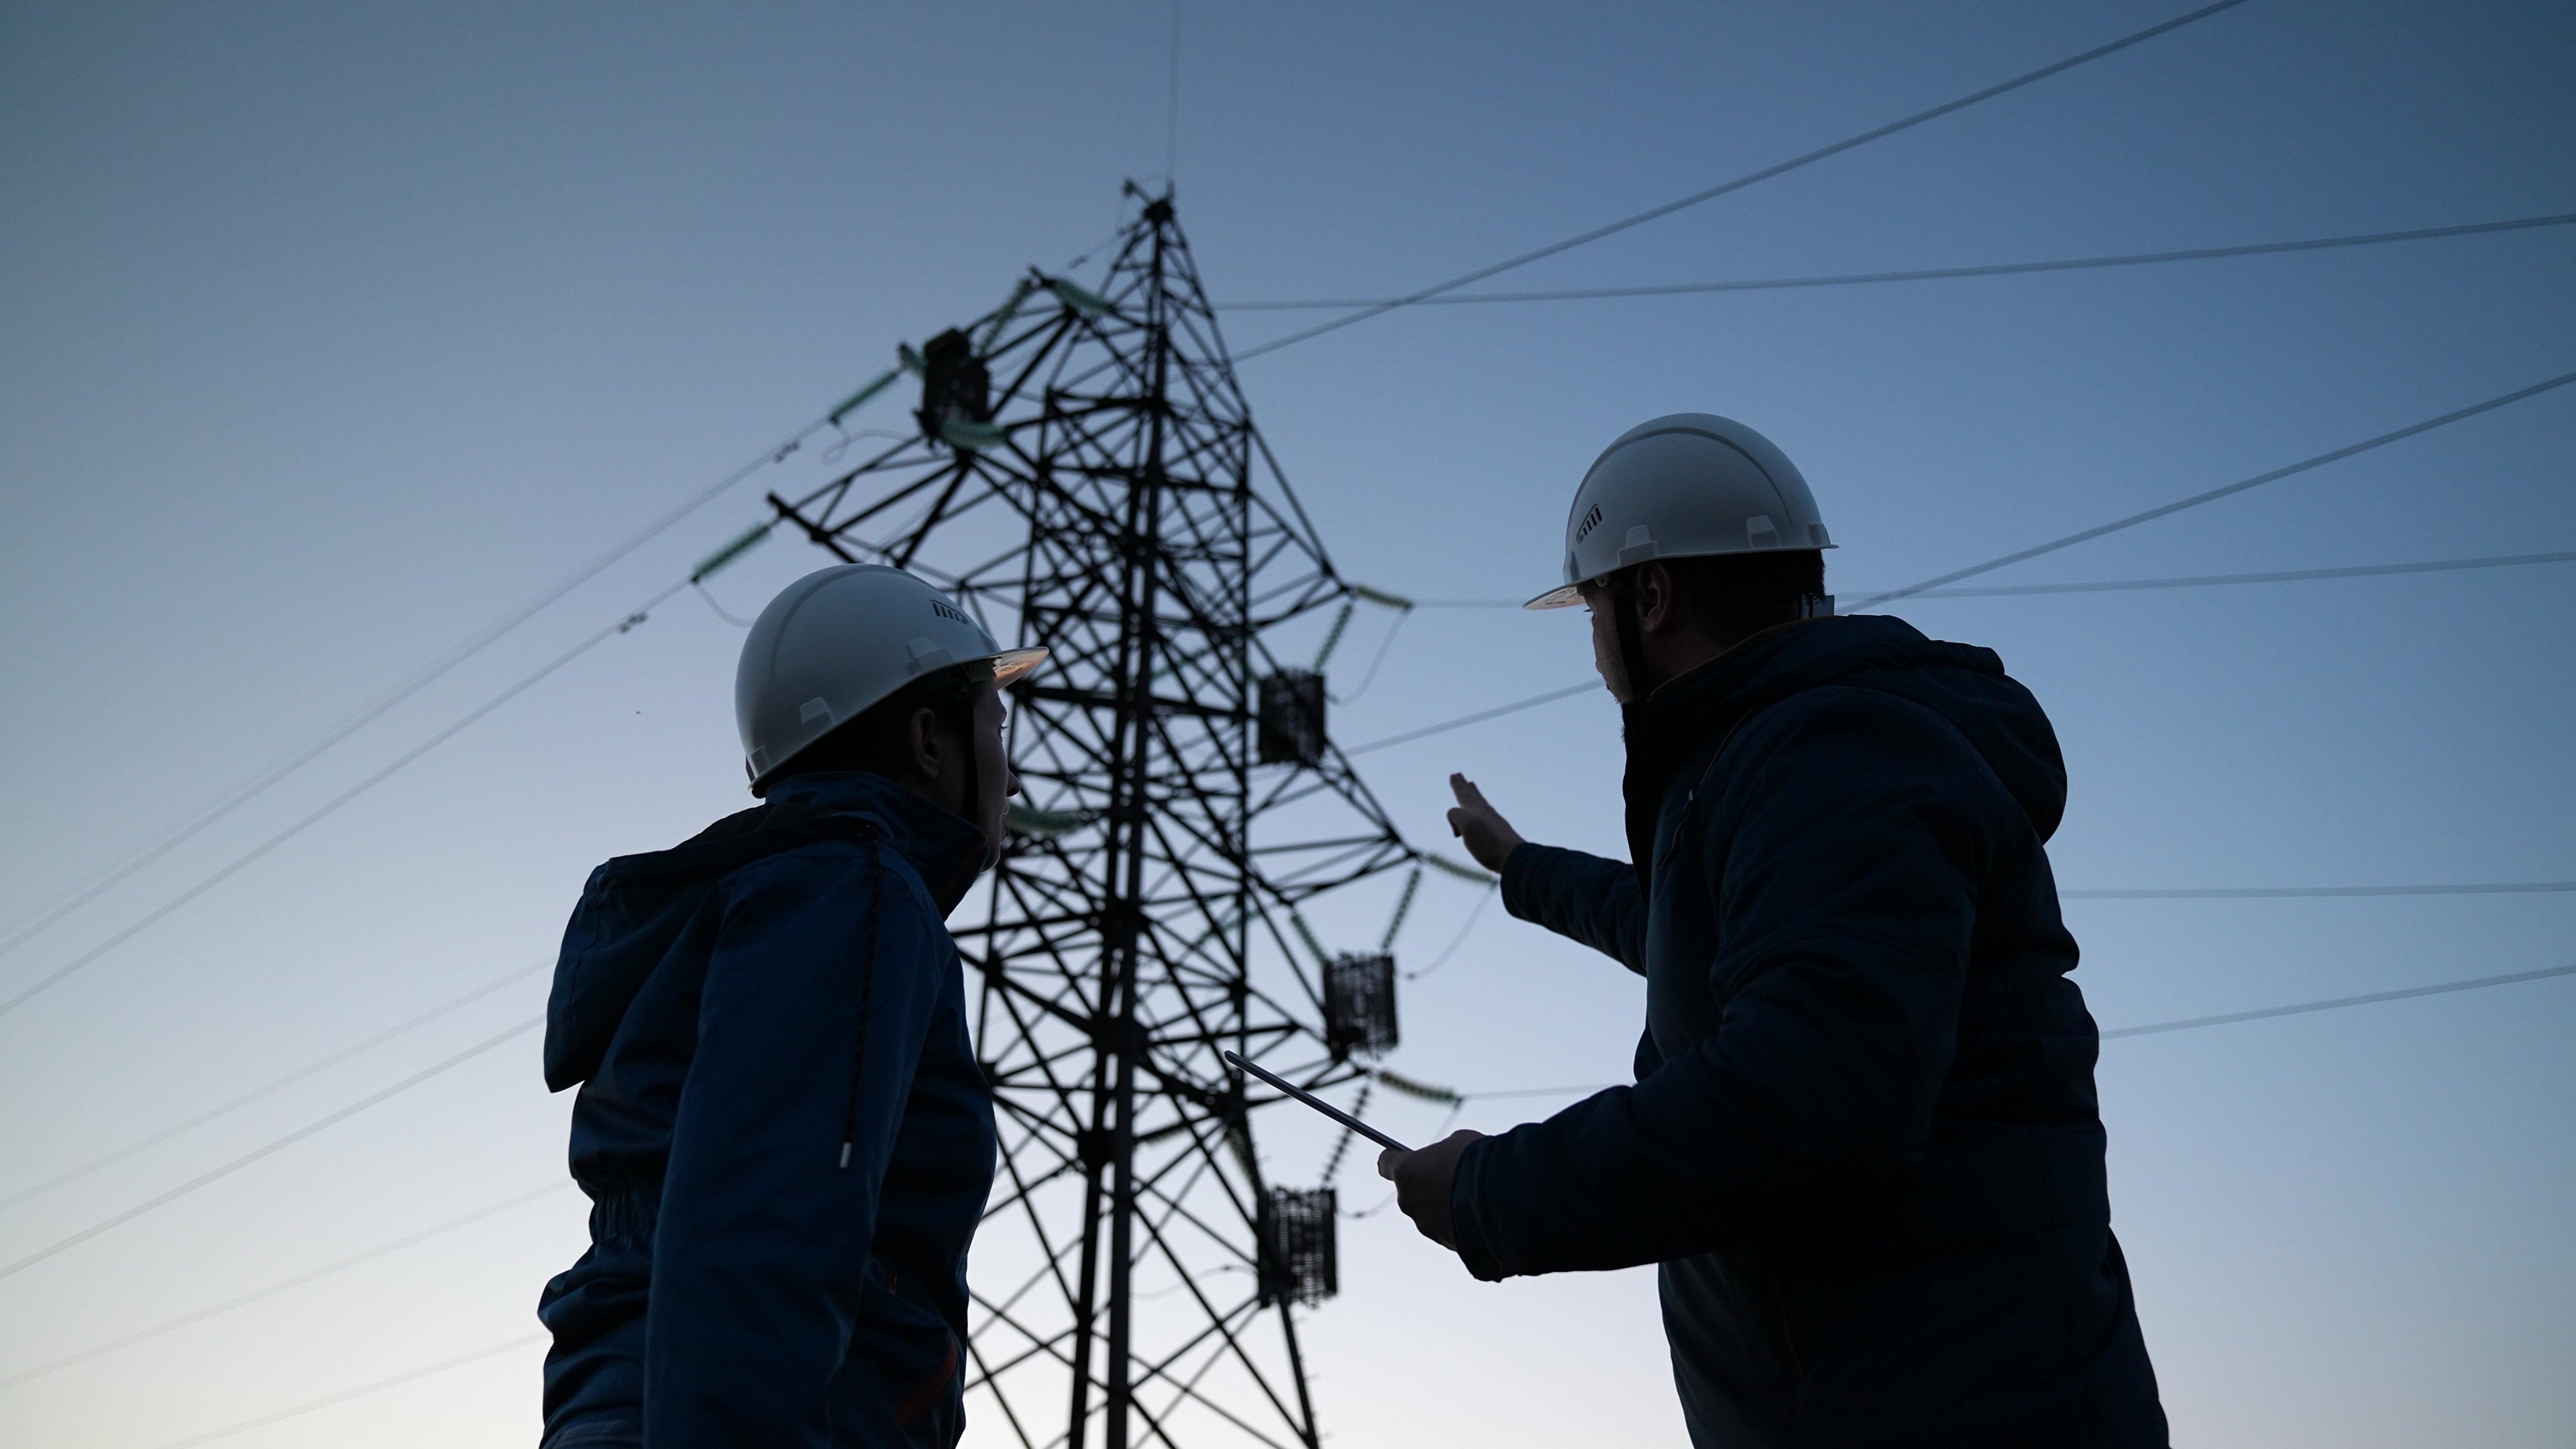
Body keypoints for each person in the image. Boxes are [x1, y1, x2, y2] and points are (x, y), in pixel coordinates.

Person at [1377, 415, 2167, 1446]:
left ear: (1649, 596)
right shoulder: (1786, 754)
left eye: (1594, 606)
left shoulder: (1832, 752)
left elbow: (1816, 1089)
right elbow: (1680, 934)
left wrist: (1493, 1191)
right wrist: (1520, 866)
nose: (1593, 644)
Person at [535, 564, 1045, 1448]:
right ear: (931, 739)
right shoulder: (854, 890)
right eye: (994, 726)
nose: (1016, 779)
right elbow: (764, 1225)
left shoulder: (770, 891)